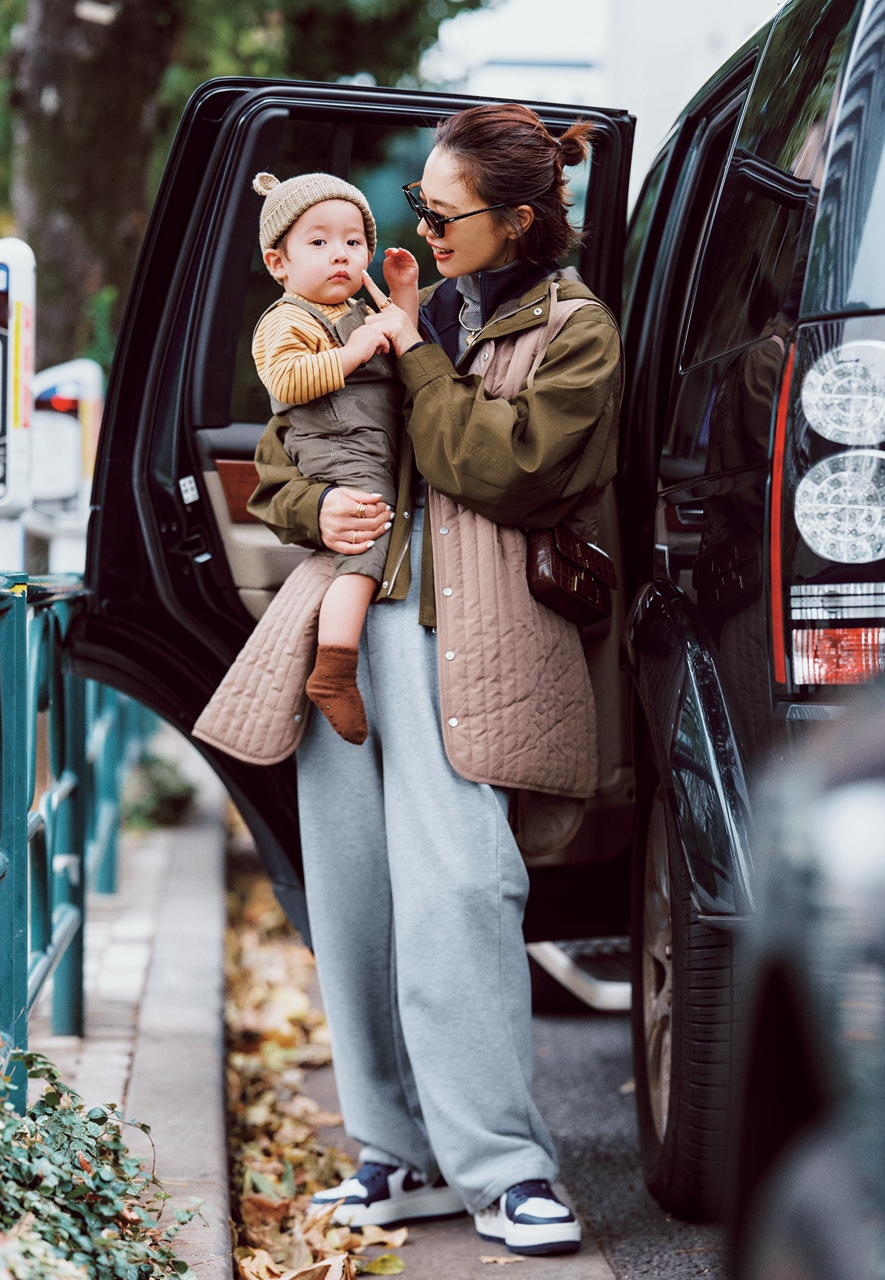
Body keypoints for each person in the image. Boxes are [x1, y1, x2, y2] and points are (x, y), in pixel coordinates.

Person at [247, 103, 622, 1257]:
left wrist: (407, 345)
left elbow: (494, 466)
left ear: (517, 218)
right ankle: (395, 1150)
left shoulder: (574, 329)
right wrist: (321, 507)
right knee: (354, 896)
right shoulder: (360, 311)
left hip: (477, 630)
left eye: (440, 211)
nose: (417, 229)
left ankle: (505, 1166)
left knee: (462, 887)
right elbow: (279, 462)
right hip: (350, 630)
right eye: (414, 206)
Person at [250, 170, 418, 745]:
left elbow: (405, 345)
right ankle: (335, 667)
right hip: (335, 446)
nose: (339, 255)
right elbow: (289, 381)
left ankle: (338, 662)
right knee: (366, 544)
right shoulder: (287, 319)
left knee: (376, 531)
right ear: (280, 264)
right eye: (318, 243)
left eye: (353, 241)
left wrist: (402, 294)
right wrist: (350, 354)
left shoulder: (359, 305)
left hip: (371, 443)